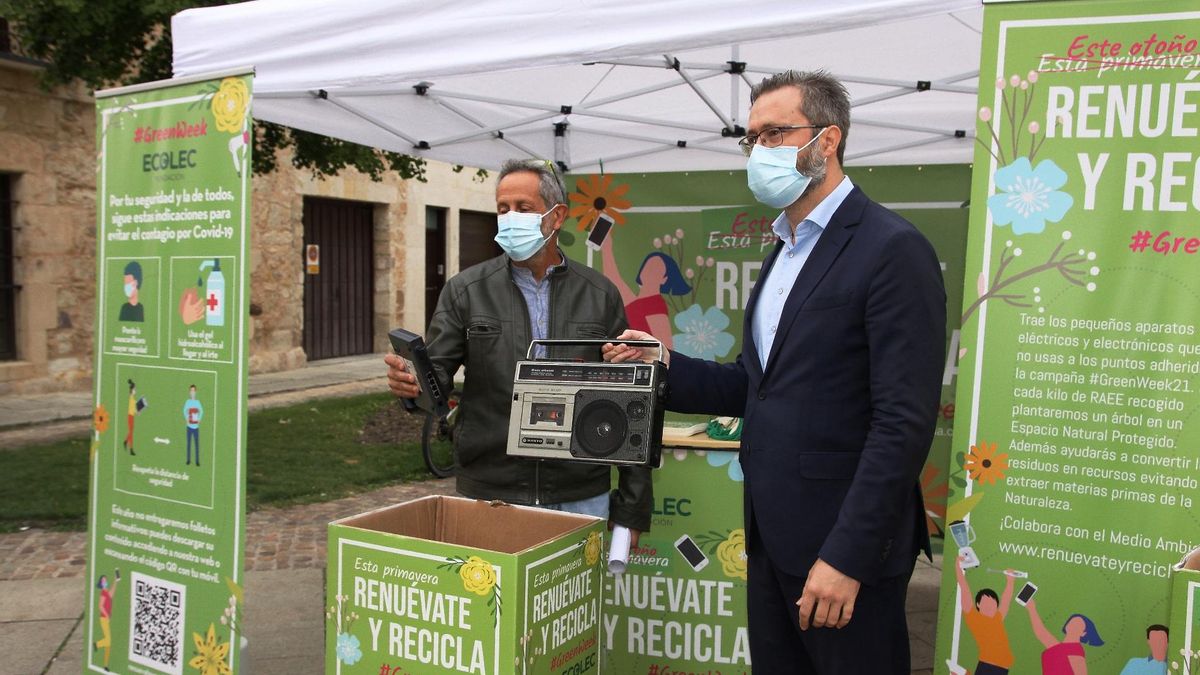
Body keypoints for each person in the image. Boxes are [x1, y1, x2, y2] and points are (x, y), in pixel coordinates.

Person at [604, 69, 945, 672]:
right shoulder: (783, 249)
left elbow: (902, 422)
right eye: (751, 137)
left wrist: (847, 558)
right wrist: (662, 362)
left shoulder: (893, 248)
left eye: (774, 133)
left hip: (844, 555)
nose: (759, 150)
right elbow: (756, 386)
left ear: (828, 140)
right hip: (770, 538)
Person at [385, 158, 652, 542]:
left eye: (523, 208)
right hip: (492, 492)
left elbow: (630, 400)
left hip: (580, 493)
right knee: (490, 599)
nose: (510, 218)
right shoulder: (466, 291)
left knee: (571, 603)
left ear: (556, 216)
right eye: (502, 209)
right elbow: (436, 380)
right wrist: (413, 384)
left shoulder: (599, 294)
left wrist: (631, 507)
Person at [599, 233, 690, 349]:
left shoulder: (656, 305)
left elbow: (666, 350)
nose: (648, 269)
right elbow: (614, 279)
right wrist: (607, 248)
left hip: (643, 363)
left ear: (664, 279)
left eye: (656, 268)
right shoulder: (637, 302)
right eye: (648, 264)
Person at [954, 555, 1016, 674]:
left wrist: (1010, 581)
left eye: (993, 603)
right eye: (986, 602)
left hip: (1003, 669)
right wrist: (958, 569)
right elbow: (965, 590)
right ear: (978, 604)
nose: (990, 606)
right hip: (988, 666)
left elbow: (1006, 601)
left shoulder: (997, 618)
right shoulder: (974, 618)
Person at [1025, 600, 1104, 674]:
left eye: (1078, 624)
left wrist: (1032, 609)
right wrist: (1031, 609)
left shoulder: (1075, 650)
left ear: (1083, 633)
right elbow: (1041, 633)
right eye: (1072, 621)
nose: (1073, 623)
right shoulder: (1061, 647)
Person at [93, 568, 120, 669]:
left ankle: (105, 665)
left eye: (106, 580)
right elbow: (100, 606)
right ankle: (97, 644)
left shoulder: (107, 593)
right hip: (104, 619)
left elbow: (112, 593)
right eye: (103, 581)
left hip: (106, 619)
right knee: (108, 641)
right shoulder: (103, 594)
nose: (105, 582)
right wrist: (107, 615)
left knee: (108, 644)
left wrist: (115, 581)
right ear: (101, 583)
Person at [183, 384, 203, 466]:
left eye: (194, 390)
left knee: (196, 444)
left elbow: (201, 411)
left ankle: (197, 461)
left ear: (196, 392)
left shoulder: (197, 402)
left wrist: (199, 419)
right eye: (191, 390)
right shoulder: (188, 402)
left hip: (196, 427)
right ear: (189, 392)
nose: (192, 392)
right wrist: (186, 418)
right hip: (189, 426)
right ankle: (188, 460)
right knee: (189, 444)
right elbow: (184, 411)